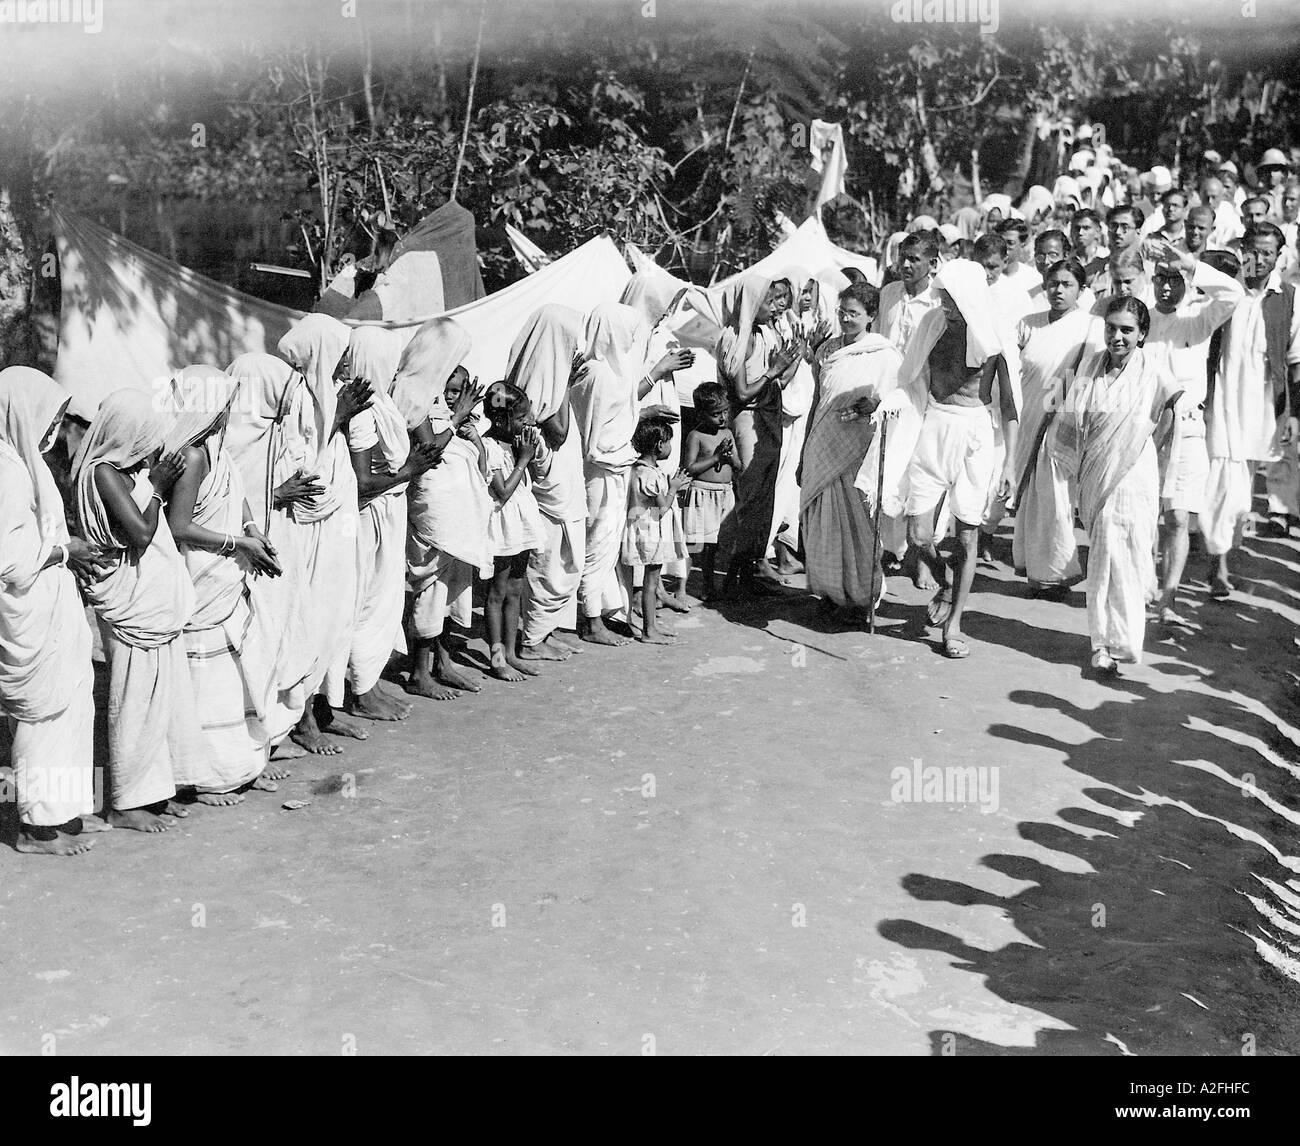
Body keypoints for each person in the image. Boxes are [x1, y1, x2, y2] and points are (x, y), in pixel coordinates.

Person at [863, 258, 1017, 660]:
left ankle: (955, 625)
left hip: (975, 435)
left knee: (967, 536)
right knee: (919, 535)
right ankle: (947, 582)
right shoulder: (932, 324)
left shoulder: (993, 334)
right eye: (942, 297)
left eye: (950, 299)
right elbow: (908, 376)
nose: (944, 305)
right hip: (933, 426)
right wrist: (889, 401)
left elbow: (1010, 406)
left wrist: (1012, 464)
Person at [73, 389, 200, 832]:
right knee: (133, 700)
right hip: (130, 604)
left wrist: (152, 482)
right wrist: (159, 487)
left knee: (158, 700)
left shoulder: (129, 471)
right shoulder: (103, 473)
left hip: (152, 603)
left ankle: (154, 791)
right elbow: (141, 535)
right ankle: (125, 802)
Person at [0, 367, 114, 855]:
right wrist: (67, 551)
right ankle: (34, 829)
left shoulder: (29, 463)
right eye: (49, 416)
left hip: (54, 606)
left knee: (72, 704)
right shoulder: (5, 469)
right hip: (29, 611)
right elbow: (8, 560)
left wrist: (69, 553)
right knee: (43, 716)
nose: (54, 427)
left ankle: (64, 813)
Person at [1047, 297, 1190, 673]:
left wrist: (1148, 447)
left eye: (1127, 330)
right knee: (1103, 557)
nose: (1117, 336)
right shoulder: (1091, 368)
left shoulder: (1152, 370)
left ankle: (1122, 641)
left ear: (1142, 333)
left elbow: (1172, 408)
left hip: (1135, 472)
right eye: (1111, 328)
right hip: (1097, 473)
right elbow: (1071, 421)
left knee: (1130, 554)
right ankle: (1101, 643)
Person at [163, 364, 283, 804]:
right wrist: (238, 543)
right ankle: (207, 777)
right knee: (207, 681)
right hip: (204, 573)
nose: (230, 409)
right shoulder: (192, 455)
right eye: (225, 400)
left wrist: (251, 526)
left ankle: (242, 763)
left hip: (227, 566)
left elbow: (240, 491)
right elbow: (179, 526)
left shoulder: (215, 446)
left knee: (234, 675)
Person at [277, 314, 374, 753]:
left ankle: (325, 708)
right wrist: (339, 418)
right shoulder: (296, 398)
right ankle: (301, 718)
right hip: (311, 532)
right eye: (338, 359)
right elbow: (302, 473)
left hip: (339, 526)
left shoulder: (326, 395)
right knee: (313, 618)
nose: (344, 369)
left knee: (338, 616)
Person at [343, 327, 441, 721]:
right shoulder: (364, 409)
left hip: (387, 513)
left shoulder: (379, 402)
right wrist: (408, 472)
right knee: (366, 601)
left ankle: (368, 683)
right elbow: (363, 483)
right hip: (370, 520)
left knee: (381, 600)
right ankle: (359, 692)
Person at [1143, 242, 1244, 625]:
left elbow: (1233, 293)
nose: (1167, 287)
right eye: (1161, 279)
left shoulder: (1197, 320)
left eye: (1175, 279)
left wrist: (1190, 263)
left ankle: (1168, 599)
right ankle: (1142, 589)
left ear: (1188, 283)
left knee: (1179, 519)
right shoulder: (1141, 319)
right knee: (1144, 515)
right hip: (1144, 427)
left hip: (1187, 428)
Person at [224, 352, 317, 761]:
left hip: (277, 543)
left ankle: (277, 729)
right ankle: (252, 738)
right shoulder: (230, 434)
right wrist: (276, 495)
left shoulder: (271, 431)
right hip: (241, 553)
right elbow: (222, 497)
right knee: (253, 642)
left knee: (281, 634)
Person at [393, 318, 488, 699]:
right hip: (431, 507)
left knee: (449, 586)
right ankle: (419, 672)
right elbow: (430, 451)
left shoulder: (434, 398)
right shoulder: (412, 393)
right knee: (428, 586)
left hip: (456, 510)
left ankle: (442, 661)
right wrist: (457, 418)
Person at [1204, 223, 1300, 594]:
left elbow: (1293, 362)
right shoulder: (1227, 290)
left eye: (1267, 254)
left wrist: (1291, 413)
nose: (1258, 261)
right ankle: (1217, 565)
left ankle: (1221, 549)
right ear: (1242, 249)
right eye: (1253, 251)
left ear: (1279, 257)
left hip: (1260, 403)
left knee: (1243, 492)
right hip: (1222, 395)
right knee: (1221, 479)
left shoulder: (1288, 297)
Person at [799, 282, 902, 617]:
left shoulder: (885, 356)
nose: (845, 318)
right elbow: (818, 400)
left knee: (858, 526)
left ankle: (861, 597)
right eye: (842, 312)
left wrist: (872, 405)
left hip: (858, 450)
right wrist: (804, 451)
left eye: (854, 314)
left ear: (871, 316)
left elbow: (896, 403)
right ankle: (829, 593)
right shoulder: (828, 351)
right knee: (821, 522)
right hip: (822, 444)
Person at [503, 304, 589, 662]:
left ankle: (545, 630)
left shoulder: (546, 367)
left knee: (564, 557)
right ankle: (534, 637)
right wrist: (567, 385)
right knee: (551, 558)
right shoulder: (542, 375)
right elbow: (558, 431)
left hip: (562, 478)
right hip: (548, 482)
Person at [709, 277, 804, 596]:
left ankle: (749, 575)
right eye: (769, 301)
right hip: (748, 424)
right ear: (752, 304)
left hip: (765, 421)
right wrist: (774, 371)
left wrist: (796, 357)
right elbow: (742, 392)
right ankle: (733, 580)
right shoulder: (738, 339)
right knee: (749, 501)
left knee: (763, 500)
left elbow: (776, 383)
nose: (776, 308)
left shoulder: (760, 335)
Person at [1009, 259, 1093, 595]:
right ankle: (1036, 569)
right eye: (1054, 283)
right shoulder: (1028, 324)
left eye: (1067, 284)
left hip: (1061, 424)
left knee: (1056, 501)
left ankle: (1059, 572)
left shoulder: (1090, 326)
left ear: (1081, 290)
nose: (1058, 290)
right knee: (1031, 500)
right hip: (1026, 419)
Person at [569, 303, 648, 643]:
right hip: (598, 467)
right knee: (596, 542)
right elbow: (589, 429)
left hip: (617, 464)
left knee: (607, 543)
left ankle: (599, 609)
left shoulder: (617, 370)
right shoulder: (596, 373)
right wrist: (601, 455)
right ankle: (589, 620)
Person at [475, 382, 546, 680]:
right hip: (503, 524)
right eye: (521, 418)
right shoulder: (490, 447)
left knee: (516, 590)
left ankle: (512, 652)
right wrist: (524, 458)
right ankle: (497, 657)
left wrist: (525, 453)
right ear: (502, 419)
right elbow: (502, 492)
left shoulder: (514, 444)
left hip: (521, 523)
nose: (527, 423)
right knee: (497, 592)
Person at [623, 415, 691, 644]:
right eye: (669, 442)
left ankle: (649, 626)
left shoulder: (640, 469)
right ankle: (648, 630)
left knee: (650, 583)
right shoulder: (649, 475)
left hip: (645, 530)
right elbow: (662, 509)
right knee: (651, 584)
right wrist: (674, 487)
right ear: (659, 445)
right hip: (651, 533)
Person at [681, 382, 742, 599]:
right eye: (716, 414)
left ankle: (723, 584)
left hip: (725, 493)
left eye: (725, 411)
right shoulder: (696, 436)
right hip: (703, 493)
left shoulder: (727, 432)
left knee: (719, 543)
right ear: (701, 413)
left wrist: (729, 456)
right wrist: (715, 458)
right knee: (702, 544)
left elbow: (738, 465)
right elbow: (689, 468)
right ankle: (702, 587)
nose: (723, 418)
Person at [873, 232, 940, 355]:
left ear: (932, 264)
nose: (905, 265)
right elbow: (875, 335)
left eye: (914, 259)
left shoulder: (937, 302)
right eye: (902, 257)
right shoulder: (888, 293)